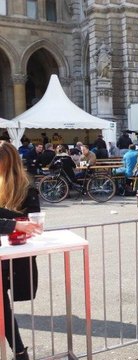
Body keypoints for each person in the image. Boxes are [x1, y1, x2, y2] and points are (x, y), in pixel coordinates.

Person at [0, 140, 44, 360]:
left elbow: (33, 221)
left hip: (13, 255)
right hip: (7, 253)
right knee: (2, 306)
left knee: (3, 306)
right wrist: (14, 223)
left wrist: (16, 224)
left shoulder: (26, 187)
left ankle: (19, 351)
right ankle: (19, 351)